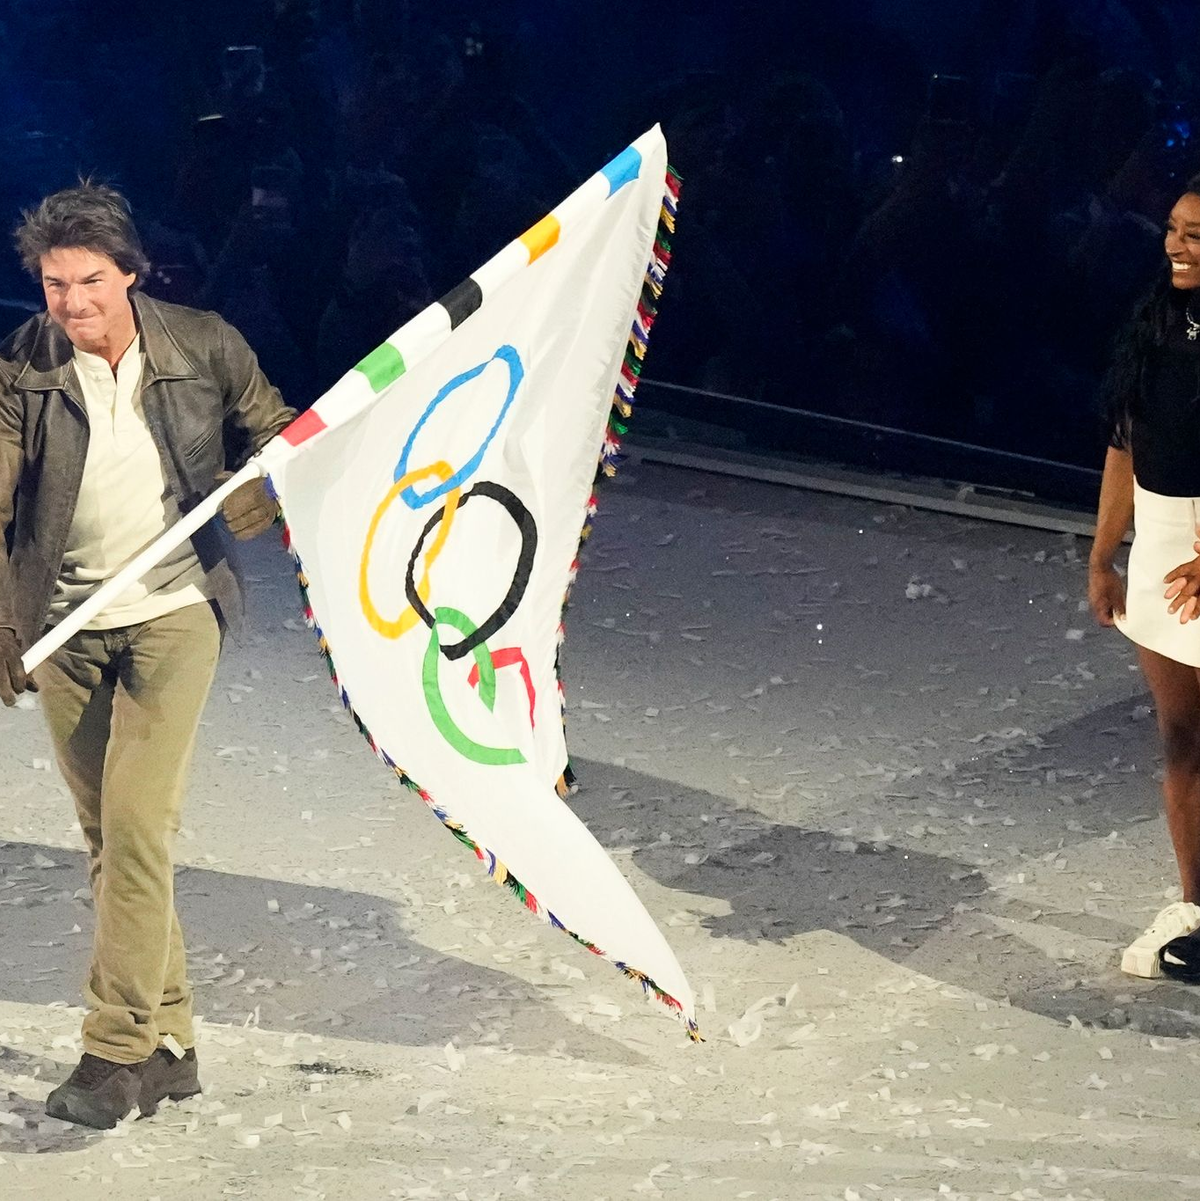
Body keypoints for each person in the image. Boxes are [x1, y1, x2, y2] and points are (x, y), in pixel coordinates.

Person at [0, 181, 294, 1128]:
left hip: (174, 611)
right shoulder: (24, 364)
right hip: (64, 626)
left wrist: (264, 489)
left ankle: (114, 1049)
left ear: (133, 270)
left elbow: (278, 432)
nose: (73, 303)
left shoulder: (202, 341)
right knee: (108, 837)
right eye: (53, 284)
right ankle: (172, 1046)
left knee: (134, 822)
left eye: (90, 280)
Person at [1089, 172, 1200, 981]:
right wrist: (1104, 552)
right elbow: (1125, 440)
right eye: (1172, 228)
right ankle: (1196, 907)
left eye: (1195, 234)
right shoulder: (1155, 322)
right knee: (1182, 739)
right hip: (1162, 546)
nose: (1176, 245)